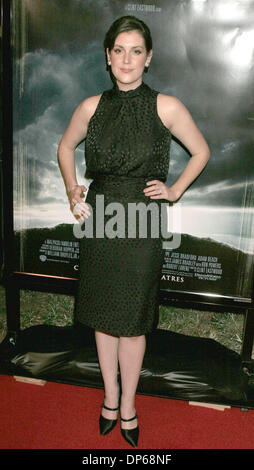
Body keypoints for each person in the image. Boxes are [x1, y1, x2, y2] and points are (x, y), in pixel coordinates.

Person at [57, 15, 210, 447]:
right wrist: (73, 188)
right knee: (104, 320)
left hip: (143, 224)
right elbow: (65, 147)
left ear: (148, 59)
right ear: (108, 57)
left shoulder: (168, 106)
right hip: (102, 220)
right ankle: (108, 397)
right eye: (118, 50)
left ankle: (128, 404)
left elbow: (201, 151)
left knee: (132, 322)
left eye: (136, 51)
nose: (127, 59)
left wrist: (175, 190)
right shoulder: (90, 107)